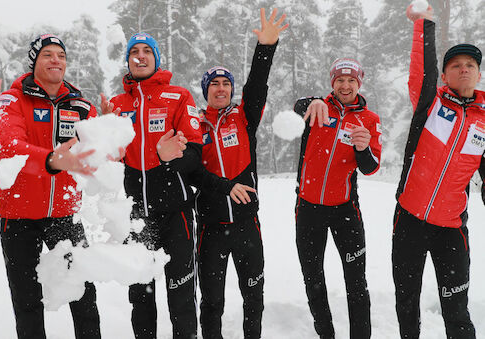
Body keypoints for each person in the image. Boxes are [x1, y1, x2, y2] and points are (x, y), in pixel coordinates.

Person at [0, 34, 101, 339]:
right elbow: (10, 147)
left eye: (61, 56)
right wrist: (51, 160)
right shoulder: (12, 100)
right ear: (34, 61)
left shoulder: (80, 104)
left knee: (84, 298)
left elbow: (96, 152)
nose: (56, 60)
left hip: (65, 217)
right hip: (18, 219)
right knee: (28, 302)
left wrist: (112, 138)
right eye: (48, 55)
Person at [192, 8, 287, 339]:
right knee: (212, 302)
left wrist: (266, 47)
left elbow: (257, 83)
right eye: (214, 84)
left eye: (225, 84)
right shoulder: (195, 125)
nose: (221, 89)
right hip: (211, 229)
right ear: (206, 91)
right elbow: (191, 172)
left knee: (254, 298)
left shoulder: (243, 117)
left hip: (248, 225)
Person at [101, 32, 201, 339]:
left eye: (147, 51)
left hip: (177, 215)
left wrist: (166, 159)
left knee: (181, 296)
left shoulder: (178, 96)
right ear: (128, 60)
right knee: (140, 299)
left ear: (156, 58)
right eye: (134, 52)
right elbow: (104, 163)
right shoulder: (115, 104)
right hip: (136, 216)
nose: (140, 56)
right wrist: (104, 135)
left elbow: (195, 154)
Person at [393, 5, 483, 338]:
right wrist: (424, 26)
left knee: (457, 311)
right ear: (445, 76)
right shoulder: (430, 105)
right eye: (456, 66)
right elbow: (421, 73)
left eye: (470, 65)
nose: (463, 69)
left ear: (478, 74)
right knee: (407, 305)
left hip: (451, 231)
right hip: (409, 223)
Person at [293, 57, 382, 339]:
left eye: (351, 80)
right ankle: (326, 334)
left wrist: (362, 148)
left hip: (345, 212)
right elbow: (297, 106)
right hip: (308, 210)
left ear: (359, 84)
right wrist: (313, 101)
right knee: (313, 279)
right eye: (340, 80)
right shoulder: (319, 108)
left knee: (356, 282)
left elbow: (370, 167)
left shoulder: (369, 120)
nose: (345, 85)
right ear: (333, 83)